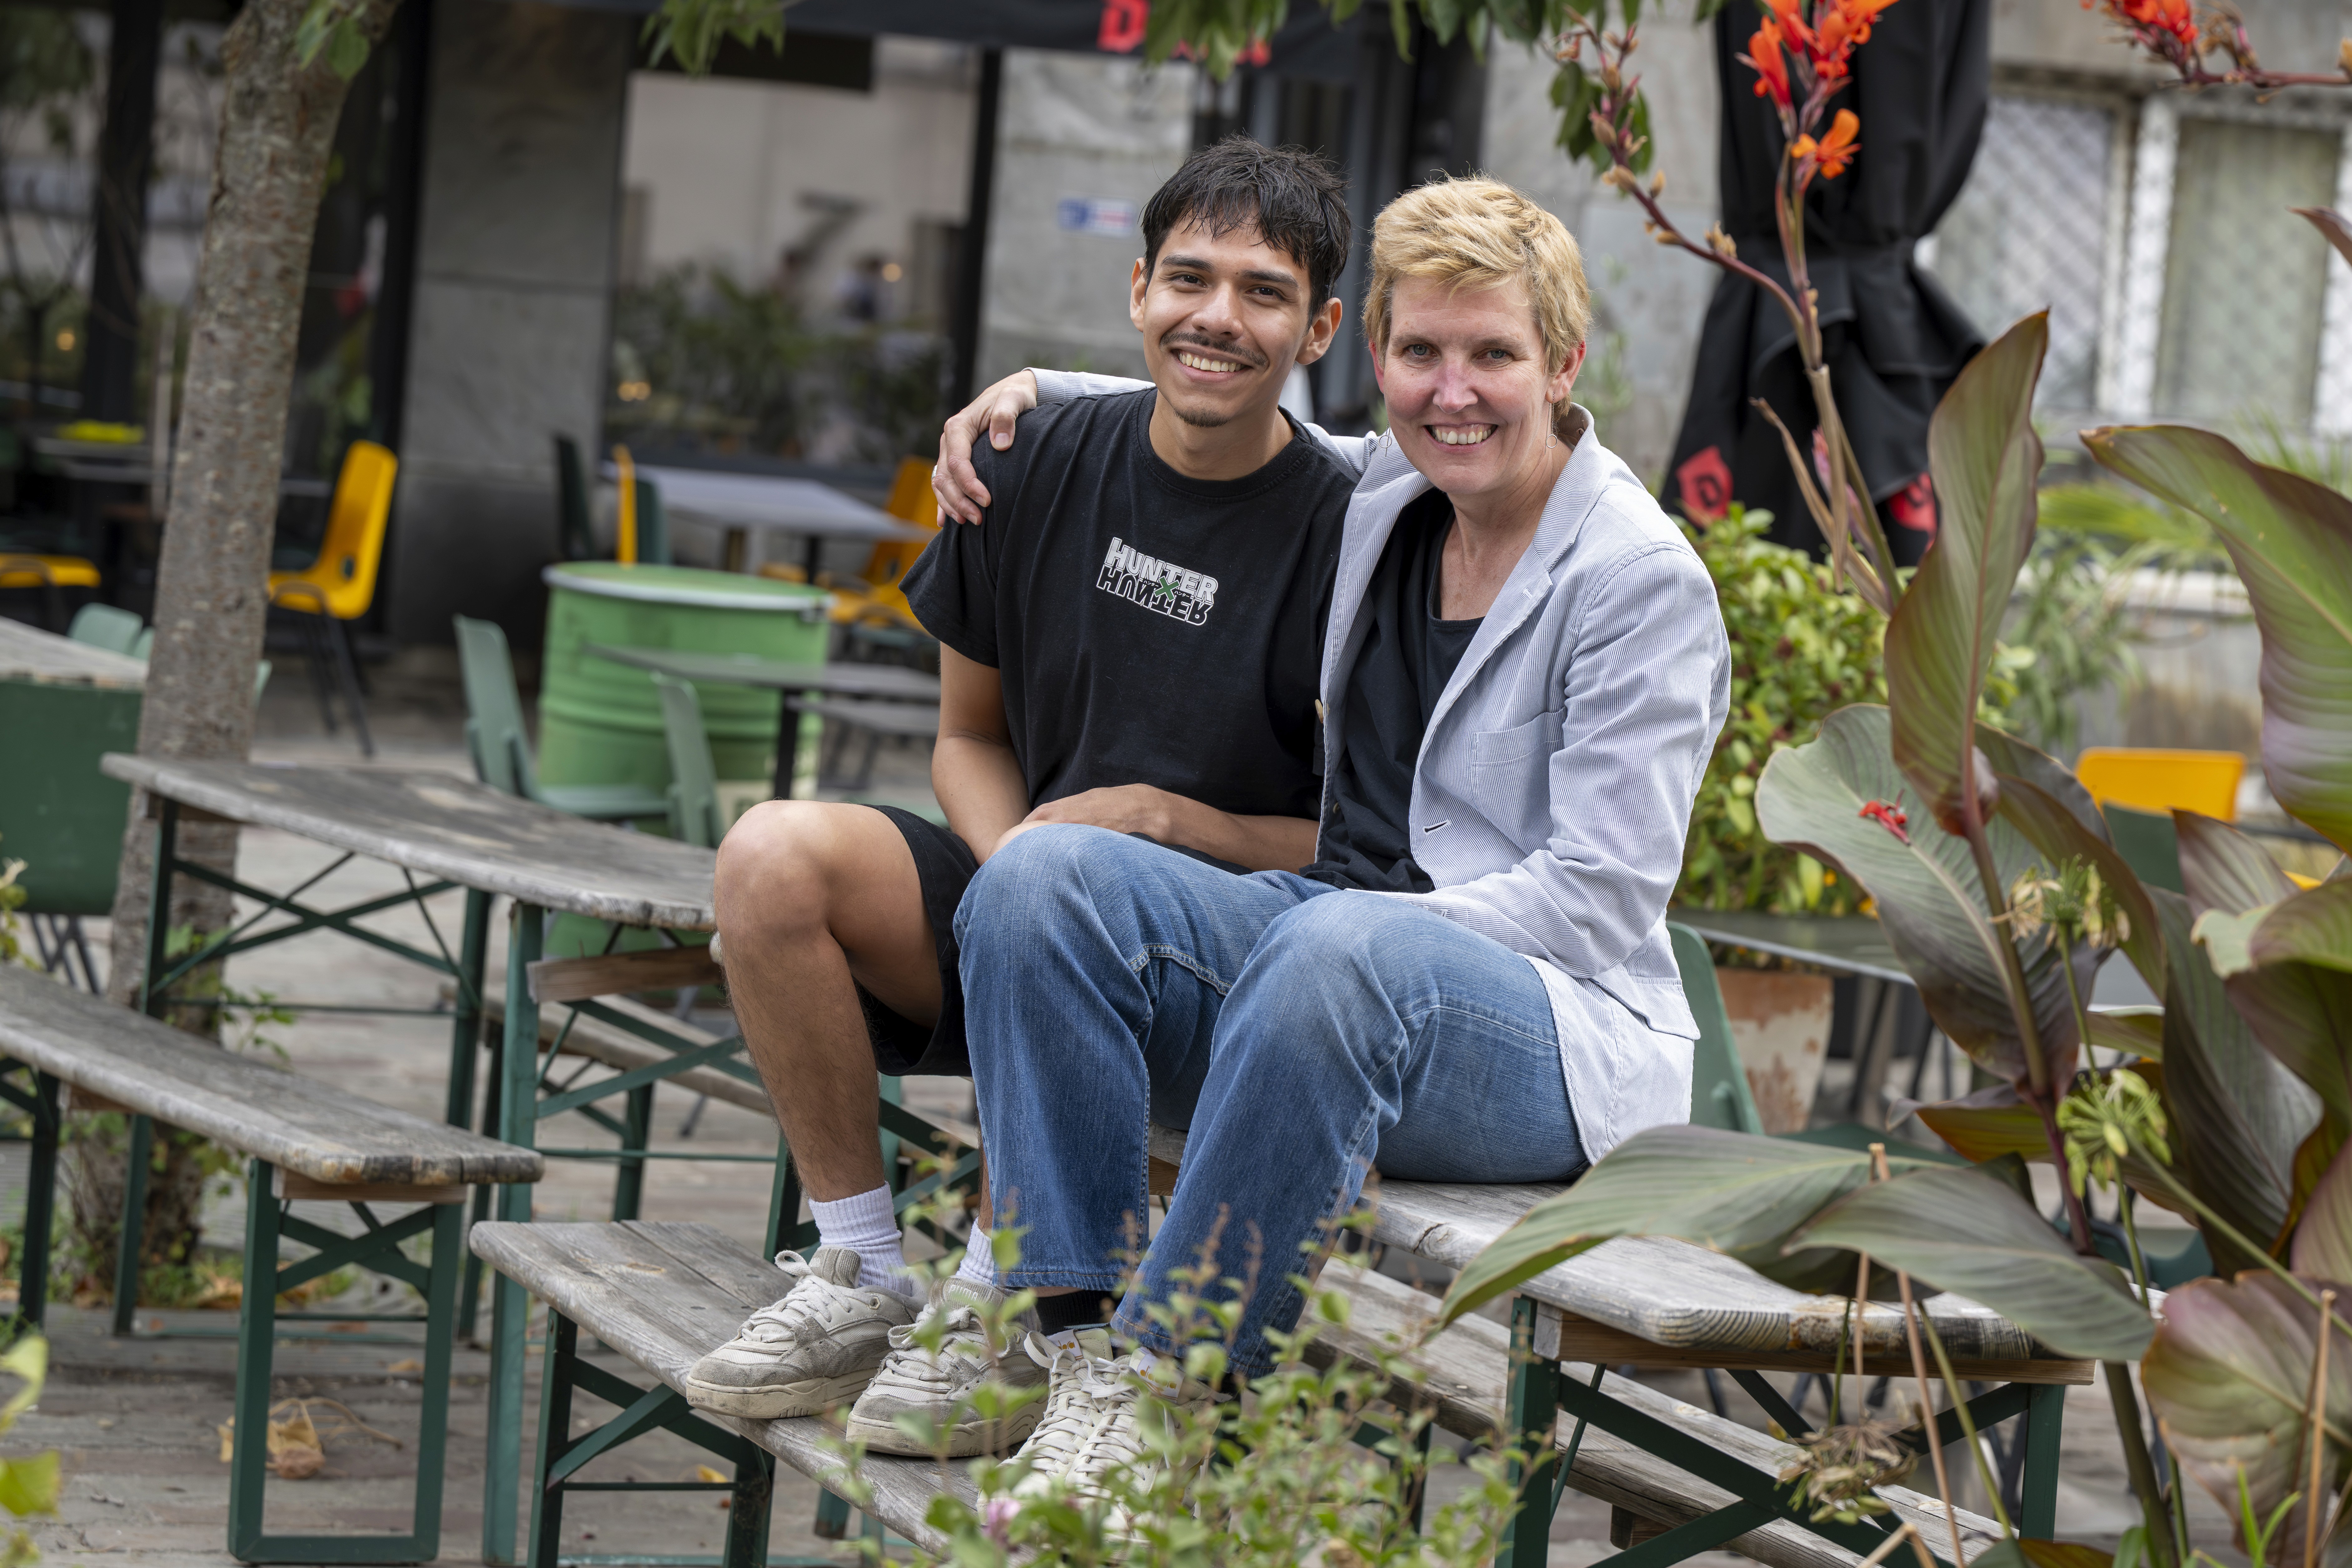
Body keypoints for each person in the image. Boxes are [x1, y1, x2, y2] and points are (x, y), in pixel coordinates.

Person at [925, 176, 1731, 1500]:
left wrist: (1345, 924)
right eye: (1419, 353)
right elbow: (1216, 390)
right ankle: (1079, 1354)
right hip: (1333, 965)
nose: (1450, 390)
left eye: (1492, 356)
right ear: (1377, 357)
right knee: (1042, 877)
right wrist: (1024, 395)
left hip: (1539, 1027)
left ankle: (1174, 1385)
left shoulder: (1634, 581)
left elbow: (1596, 896)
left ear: (1564, 366)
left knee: (1338, 943)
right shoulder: (1389, 493)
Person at [681, 138, 1360, 1455]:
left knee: (1058, 908)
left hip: (1227, 973)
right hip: (1032, 880)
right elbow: (965, 735)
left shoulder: (1357, 529)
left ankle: (1025, 1308)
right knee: (770, 854)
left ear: (1319, 326)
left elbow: (1372, 850)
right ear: (1135, 292)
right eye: (1188, 278)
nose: (1217, 316)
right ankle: (863, 1267)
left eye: (1263, 292)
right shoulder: (1027, 454)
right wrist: (1012, 890)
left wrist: (1172, 827)